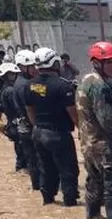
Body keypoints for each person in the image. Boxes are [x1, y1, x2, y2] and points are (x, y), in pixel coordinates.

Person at [77, 41, 112, 219]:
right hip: (105, 146)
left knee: (94, 182)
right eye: (108, 63)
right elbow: (107, 119)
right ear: (96, 63)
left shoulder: (86, 81)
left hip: (88, 144)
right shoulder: (100, 86)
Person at [25, 47, 80, 206]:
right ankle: (70, 203)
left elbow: (29, 109)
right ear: (55, 63)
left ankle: (47, 200)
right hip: (58, 134)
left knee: (46, 168)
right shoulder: (64, 86)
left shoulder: (30, 85)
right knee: (68, 169)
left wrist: (37, 127)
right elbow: (73, 113)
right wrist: (81, 129)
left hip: (38, 132)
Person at [13, 49, 41, 191]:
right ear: (23, 67)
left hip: (25, 125)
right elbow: (29, 109)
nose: (35, 69)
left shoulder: (23, 82)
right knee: (35, 159)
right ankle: (38, 186)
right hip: (29, 126)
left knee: (34, 158)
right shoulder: (24, 85)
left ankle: (38, 186)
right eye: (32, 66)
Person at [1, 62, 23, 173]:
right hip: (16, 123)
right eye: (11, 74)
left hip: (12, 124)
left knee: (19, 150)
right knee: (22, 151)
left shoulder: (5, 90)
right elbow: (17, 108)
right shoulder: (10, 91)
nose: (14, 76)